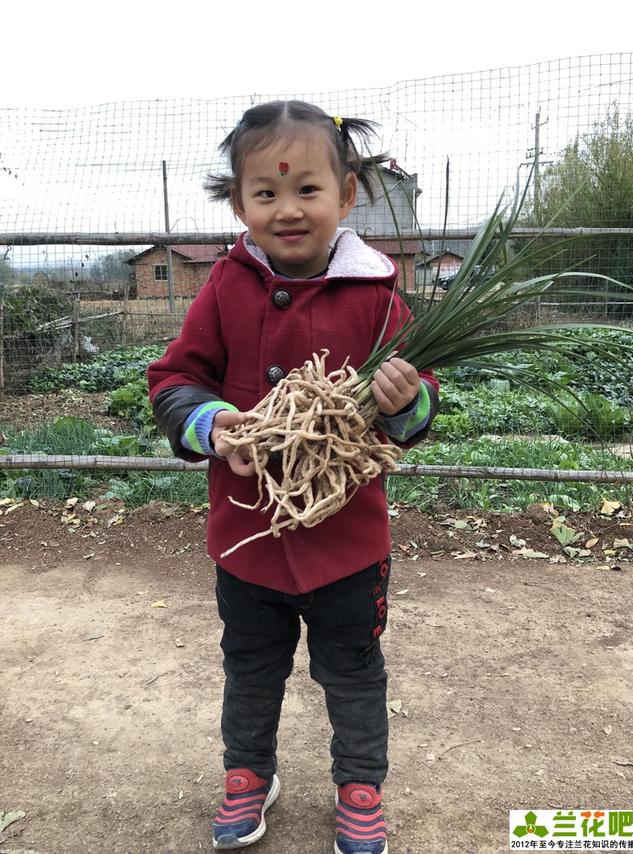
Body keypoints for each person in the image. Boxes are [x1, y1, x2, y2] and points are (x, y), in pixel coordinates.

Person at [147, 100, 439, 854]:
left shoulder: (377, 295)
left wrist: (406, 401)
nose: (287, 208)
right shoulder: (225, 286)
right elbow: (175, 377)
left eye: (307, 189)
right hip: (248, 535)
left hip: (347, 543)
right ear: (239, 200)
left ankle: (360, 784)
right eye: (265, 192)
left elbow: (424, 399)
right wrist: (209, 424)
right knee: (250, 666)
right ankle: (249, 773)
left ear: (346, 196)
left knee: (352, 670)